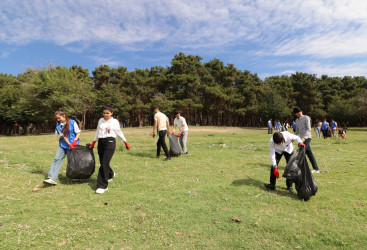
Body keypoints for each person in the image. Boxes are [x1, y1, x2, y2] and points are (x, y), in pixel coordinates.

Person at [90, 105, 130, 194]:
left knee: (104, 163)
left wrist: (125, 141)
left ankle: (102, 186)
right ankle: (110, 174)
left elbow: (118, 131)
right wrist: (94, 141)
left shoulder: (114, 121)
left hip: (110, 142)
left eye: (107, 113)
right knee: (103, 162)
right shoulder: (100, 120)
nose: (105, 115)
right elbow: (97, 131)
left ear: (111, 113)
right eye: (104, 113)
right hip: (101, 142)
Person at [44, 108, 81, 185]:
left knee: (72, 162)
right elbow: (64, 137)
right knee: (57, 159)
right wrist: (69, 144)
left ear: (64, 115)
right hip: (63, 145)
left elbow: (78, 132)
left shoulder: (72, 122)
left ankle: (76, 177)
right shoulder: (58, 126)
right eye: (57, 118)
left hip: (73, 146)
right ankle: (52, 178)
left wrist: (74, 142)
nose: (58, 119)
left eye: (59, 117)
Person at [294, 107, 320, 174]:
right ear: (295, 114)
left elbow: (308, 129)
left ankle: (299, 168)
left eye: (300, 112)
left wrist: (304, 138)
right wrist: (293, 137)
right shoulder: (297, 120)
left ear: (301, 111)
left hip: (307, 137)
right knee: (309, 153)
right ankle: (316, 168)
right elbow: (297, 130)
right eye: (297, 113)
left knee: (301, 152)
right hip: (301, 138)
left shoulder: (306, 118)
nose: (299, 113)